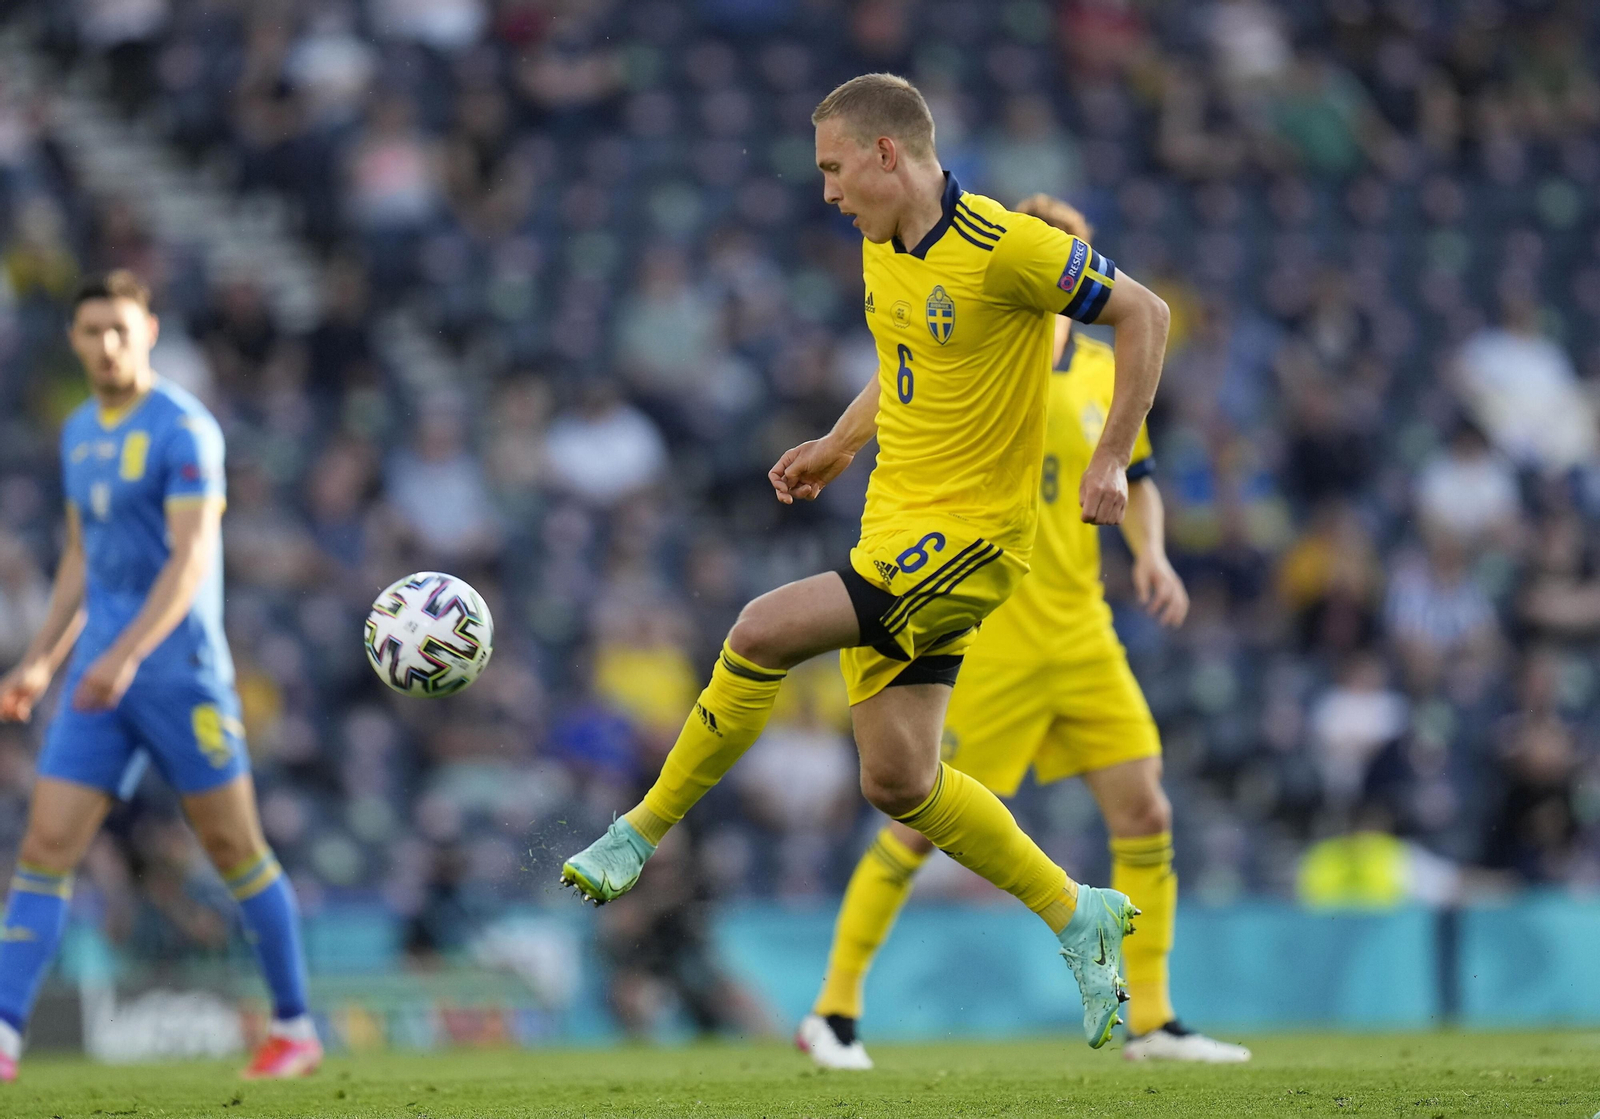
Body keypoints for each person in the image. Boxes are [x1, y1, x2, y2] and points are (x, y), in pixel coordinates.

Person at [562, 74, 1172, 1050]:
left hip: (970, 543)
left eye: (833, 168)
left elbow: (1144, 313)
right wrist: (837, 445)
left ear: (888, 154)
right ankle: (1075, 911)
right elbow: (904, 370)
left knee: (760, 628)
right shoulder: (881, 249)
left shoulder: (1008, 251)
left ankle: (641, 830)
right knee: (898, 783)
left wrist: (1109, 461)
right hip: (892, 528)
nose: (826, 191)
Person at [797, 197, 1250, 1069]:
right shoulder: (970, 350)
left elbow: (1141, 474)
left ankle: (1152, 1021)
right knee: (914, 821)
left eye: (1082, 262)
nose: (1073, 280)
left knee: (1146, 807)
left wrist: (1152, 555)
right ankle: (835, 1010)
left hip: (1082, 632)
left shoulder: (1102, 374)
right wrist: (838, 443)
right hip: (990, 626)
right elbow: (897, 389)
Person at [0, 272, 320, 1082]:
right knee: (44, 846)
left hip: (179, 674)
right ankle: (3, 1034)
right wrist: (42, 656)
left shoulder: (185, 428)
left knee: (232, 845)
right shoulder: (77, 431)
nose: (105, 343)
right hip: (96, 682)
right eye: (90, 330)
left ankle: (294, 1025)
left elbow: (191, 561)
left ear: (148, 329)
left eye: (119, 327)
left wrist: (124, 654)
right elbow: (82, 553)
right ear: (72, 340)